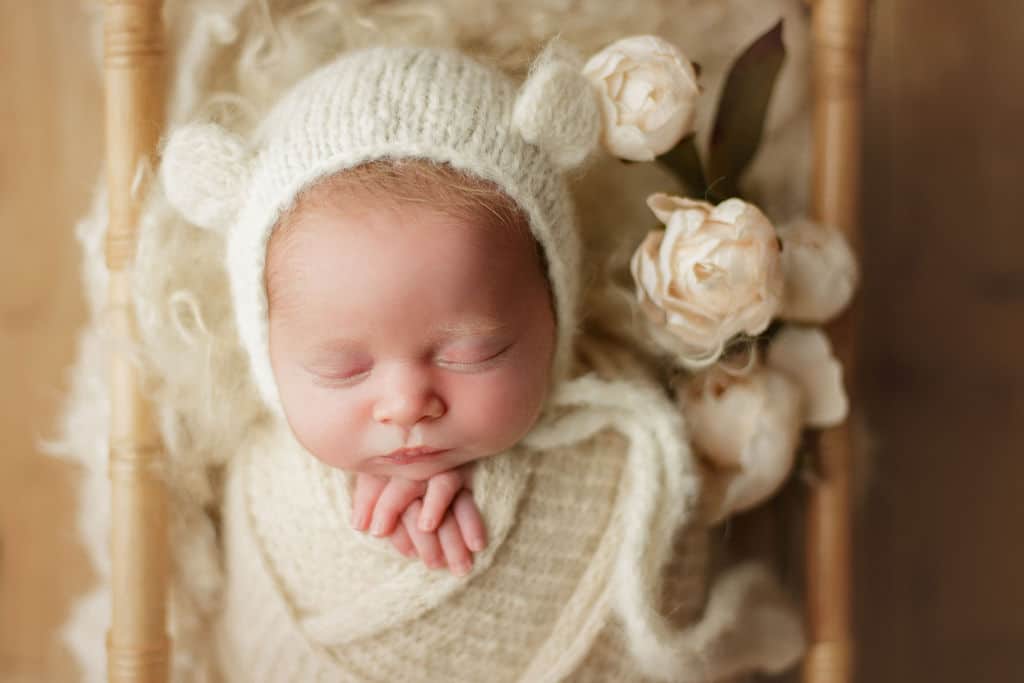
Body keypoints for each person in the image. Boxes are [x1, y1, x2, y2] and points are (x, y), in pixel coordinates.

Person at [154, 41, 803, 682]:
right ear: (269, 356)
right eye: (343, 369)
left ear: (554, 314)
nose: (406, 404)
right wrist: (361, 539)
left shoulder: (625, 437)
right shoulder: (272, 492)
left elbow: (674, 556)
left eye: (472, 352)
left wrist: (498, 501)